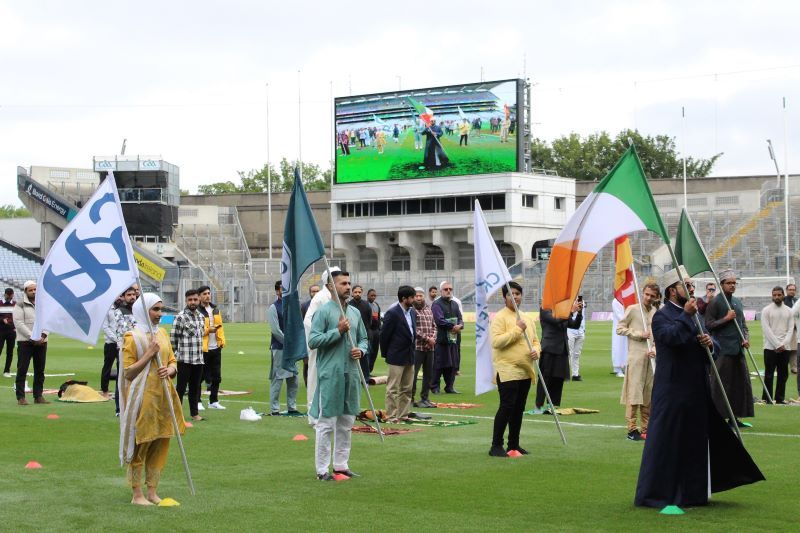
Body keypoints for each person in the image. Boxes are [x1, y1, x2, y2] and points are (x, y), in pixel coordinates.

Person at [635, 266, 764, 509]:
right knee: (668, 444)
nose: (692, 288)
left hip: (696, 389)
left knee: (695, 444)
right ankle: (660, 494)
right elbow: (671, 338)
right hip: (672, 391)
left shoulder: (695, 315)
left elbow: (709, 344)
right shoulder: (662, 316)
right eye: (687, 285)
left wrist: (710, 344)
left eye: (692, 284)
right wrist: (685, 316)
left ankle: (693, 494)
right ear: (673, 291)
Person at [119, 292, 185, 506]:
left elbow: (173, 360)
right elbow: (128, 372)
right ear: (142, 310)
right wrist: (149, 353)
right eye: (155, 309)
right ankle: (136, 493)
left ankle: (152, 490)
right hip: (142, 398)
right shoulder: (132, 337)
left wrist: (171, 369)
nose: (159, 314)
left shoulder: (163, 333)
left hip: (164, 396)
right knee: (142, 443)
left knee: (161, 442)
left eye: (161, 309)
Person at [308, 271, 368, 480]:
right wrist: (338, 331)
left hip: (350, 373)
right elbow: (313, 341)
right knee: (326, 423)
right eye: (343, 283)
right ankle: (322, 469)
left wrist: (361, 350)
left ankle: (341, 465)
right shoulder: (323, 312)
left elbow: (364, 340)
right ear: (331, 286)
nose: (348, 287)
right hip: (331, 374)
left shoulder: (355, 313)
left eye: (349, 283)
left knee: (347, 422)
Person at [489, 281, 540, 457]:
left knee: (519, 409)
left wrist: (536, 351)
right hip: (507, 369)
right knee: (507, 407)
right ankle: (496, 445)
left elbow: (535, 341)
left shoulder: (528, 318)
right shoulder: (499, 318)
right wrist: (517, 330)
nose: (515, 297)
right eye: (511, 294)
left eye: (518, 293)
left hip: (525, 369)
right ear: (505, 297)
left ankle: (514, 445)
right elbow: (496, 342)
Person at [705, 269, 753, 428]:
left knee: (739, 385)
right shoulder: (715, 302)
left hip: (738, 350)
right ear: (722, 284)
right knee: (721, 386)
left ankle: (734, 418)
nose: (732, 285)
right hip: (722, 351)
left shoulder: (738, 302)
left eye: (734, 283)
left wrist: (746, 339)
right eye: (729, 283)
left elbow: (743, 325)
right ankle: (718, 419)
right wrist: (726, 319)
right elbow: (708, 325)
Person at [617, 283, 659, 441]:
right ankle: (631, 429)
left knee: (648, 393)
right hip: (635, 357)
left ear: (656, 297)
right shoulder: (633, 309)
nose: (648, 298)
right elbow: (620, 328)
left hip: (650, 358)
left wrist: (655, 348)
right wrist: (638, 333)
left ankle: (646, 428)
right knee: (634, 392)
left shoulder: (655, 313)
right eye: (646, 294)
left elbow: (657, 336)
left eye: (652, 296)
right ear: (642, 293)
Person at [304, 267, 340, 424]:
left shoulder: (336, 298)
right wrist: (322, 338)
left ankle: (331, 413)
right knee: (315, 379)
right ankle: (313, 416)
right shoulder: (320, 298)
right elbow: (308, 321)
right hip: (321, 345)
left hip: (335, 344)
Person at [534, 301, 582, 412]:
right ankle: (538, 405)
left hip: (562, 348)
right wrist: (571, 311)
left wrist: (579, 313)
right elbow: (555, 320)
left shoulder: (561, 309)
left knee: (558, 378)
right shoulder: (545, 307)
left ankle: (553, 405)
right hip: (549, 348)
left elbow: (574, 325)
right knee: (545, 378)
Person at [380, 285, 417, 422]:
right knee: (393, 389)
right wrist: (387, 354)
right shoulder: (393, 313)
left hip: (409, 355)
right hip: (396, 356)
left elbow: (413, 332)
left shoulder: (412, 312)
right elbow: (384, 336)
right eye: (412, 297)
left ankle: (403, 414)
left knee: (407, 388)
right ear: (404, 298)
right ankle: (391, 416)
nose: (414, 300)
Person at [170, 289, 205, 422]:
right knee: (180, 388)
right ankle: (176, 415)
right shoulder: (180, 317)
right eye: (190, 300)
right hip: (184, 360)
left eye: (195, 299)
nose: (193, 302)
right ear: (186, 301)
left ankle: (194, 414)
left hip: (198, 359)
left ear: (198, 300)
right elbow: (173, 338)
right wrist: (174, 357)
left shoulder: (201, 317)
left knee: (195, 389)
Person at [267, 281, 300, 416]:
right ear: (277, 291)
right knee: (278, 378)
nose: (284, 291)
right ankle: (275, 409)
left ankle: (292, 407)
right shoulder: (273, 307)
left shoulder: (292, 306)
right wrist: (288, 342)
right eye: (281, 289)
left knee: (293, 378)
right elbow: (275, 330)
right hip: (280, 347)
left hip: (292, 348)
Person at [13, 281, 48, 405]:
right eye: (30, 290)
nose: (33, 292)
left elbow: (47, 320)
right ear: (25, 291)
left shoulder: (42, 304)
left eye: (35, 290)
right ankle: (20, 397)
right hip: (25, 342)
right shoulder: (20, 304)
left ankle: (38, 396)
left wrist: (43, 335)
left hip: (42, 342)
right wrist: (33, 337)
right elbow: (18, 323)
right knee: (22, 370)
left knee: (40, 370)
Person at [760, 286, 794, 404]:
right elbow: (766, 329)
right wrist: (777, 344)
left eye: (779, 295)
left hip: (785, 348)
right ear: (772, 296)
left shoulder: (789, 311)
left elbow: (790, 329)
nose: (777, 297)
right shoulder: (766, 310)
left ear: (783, 295)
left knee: (783, 374)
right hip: (770, 347)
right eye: (774, 295)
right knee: (769, 374)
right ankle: (767, 398)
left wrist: (783, 344)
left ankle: (779, 398)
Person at [431, 281, 463, 394]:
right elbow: (439, 321)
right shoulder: (436, 304)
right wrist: (453, 326)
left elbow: (460, 318)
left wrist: (460, 325)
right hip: (441, 339)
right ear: (441, 291)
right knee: (439, 364)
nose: (448, 291)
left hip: (453, 340)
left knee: (453, 364)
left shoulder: (454, 304)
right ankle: (435, 387)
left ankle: (449, 387)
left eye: (450, 289)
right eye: (446, 289)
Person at [198, 285, 226, 410]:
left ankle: (213, 401)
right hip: (203, 348)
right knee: (200, 377)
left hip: (216, 348)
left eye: (208, 293)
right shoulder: (197, 311)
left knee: (217, 377)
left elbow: (220, 327)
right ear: (199, 296)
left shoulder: (215, 309)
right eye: (204, 294)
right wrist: (209, 330)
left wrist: (221, 341)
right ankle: (197, 401)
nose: (207, 295)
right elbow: (197, 330)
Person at [412, 287, 436, 408]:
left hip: (430, 348)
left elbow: (434, 326)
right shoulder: (412, 310)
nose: (419, 298)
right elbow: (414, 329)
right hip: (417, 347)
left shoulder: (428, 309)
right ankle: (410, 399)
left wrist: (433, 339)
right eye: (416, 296)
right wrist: (427, 339)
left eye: (421, 296)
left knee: (428, 375)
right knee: (413, 374)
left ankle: (425, 398)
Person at [349, 285, 374, 379]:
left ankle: (366, 379)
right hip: (352, 335)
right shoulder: (349, 305)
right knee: (353, 357)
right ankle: (355, 378)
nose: (357, 294)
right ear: (352, 293)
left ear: (362, 293)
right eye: (355, 292)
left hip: (365, 335)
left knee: (365, 358)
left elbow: (369, 321)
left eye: (359, 292)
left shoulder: (366, 305)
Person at [301, 284, 321, 386]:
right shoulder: (304, 306)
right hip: (308, 339)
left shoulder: (324, 304)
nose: (315, 293)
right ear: (309, 293)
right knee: (307, 362)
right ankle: (307, 382)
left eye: (317, 291)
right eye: (313, 291)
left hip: (321, 338)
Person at [567, 297, 586, 381]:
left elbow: (583, 316)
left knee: (577, 354)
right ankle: (565, 374)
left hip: (580, 330)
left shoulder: (582, 301)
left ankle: (575, 374)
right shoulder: (568, 300)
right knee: (569, 353)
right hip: (570, 330)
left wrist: (584, 328)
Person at [1, 287, 16, 377]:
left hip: (11, 331)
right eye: (8, 295)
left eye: (11, 295)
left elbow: (17, 317)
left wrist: (13, 325)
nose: (10, 296)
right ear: (5, 294)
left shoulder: (15, 304)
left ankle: (7, 371)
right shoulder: (0, 303)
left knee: (10, 352)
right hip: (1, 331)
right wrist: (2, 320)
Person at [611, 298, 628, 377]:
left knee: (626, 347)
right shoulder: (615, 301)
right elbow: (619, 315)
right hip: (619, 327)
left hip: (627, 327)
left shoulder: (626, 298)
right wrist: (628, 321)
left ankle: (625, 366)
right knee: (618, 347)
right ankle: (617, 368)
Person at [366, 289, 382, 373]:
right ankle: (366, 371)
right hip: (369, 331)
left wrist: (379, 329)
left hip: (376, 331)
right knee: (369, 351)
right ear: (367, 295)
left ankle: (370, 370)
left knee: (375, 351)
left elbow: (378, 318)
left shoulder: (376, 305)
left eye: (374, 295)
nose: (373, 297)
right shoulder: (365, 305)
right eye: (371, 295)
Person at [785, 283, 797, 374]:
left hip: (795, 329)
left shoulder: (797, 301)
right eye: (790, 289)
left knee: (794, 349)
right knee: (784, 348)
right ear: (787, 290)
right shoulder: (783, 301)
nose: (792, 291)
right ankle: (781, 366)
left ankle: (794, 367)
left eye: (793, 289)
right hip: (785, 329)